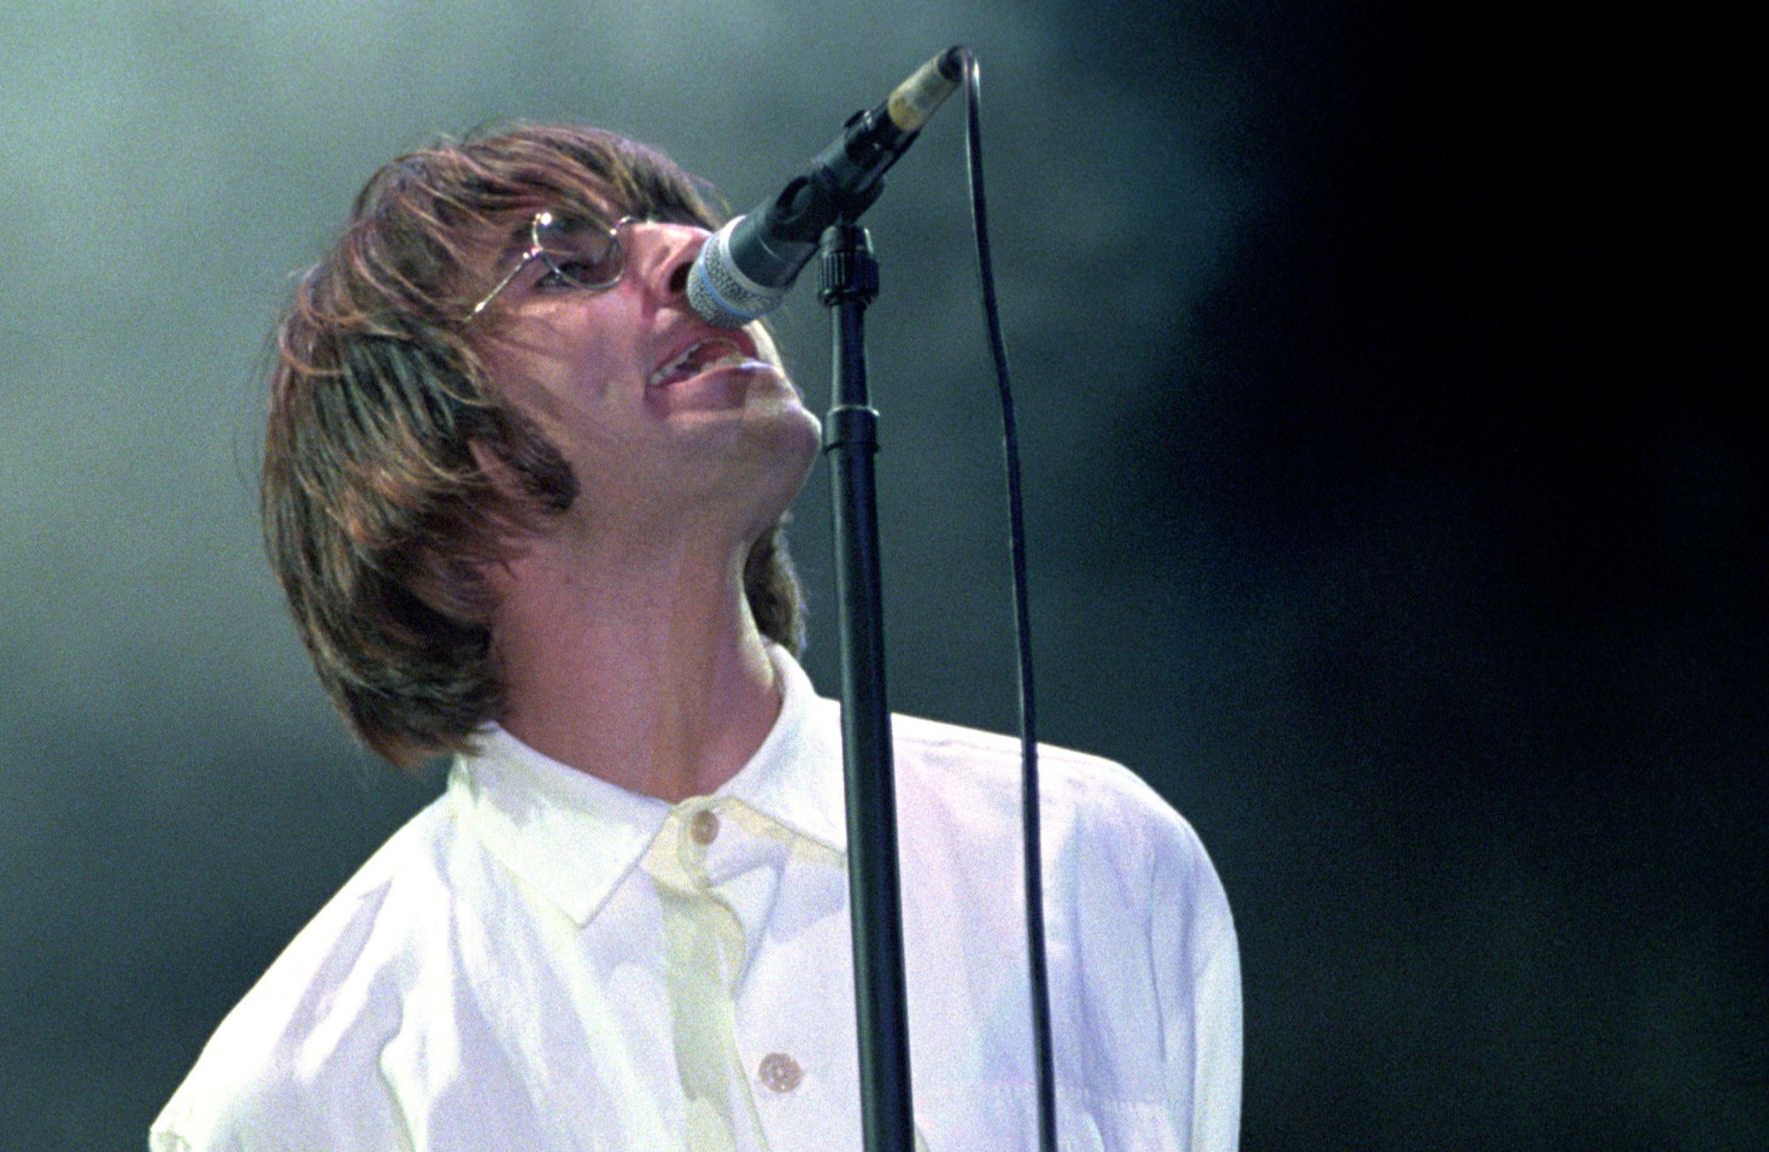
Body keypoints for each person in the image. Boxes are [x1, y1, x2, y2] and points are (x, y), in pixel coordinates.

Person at [151, 123, 1240, 1152]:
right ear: (426, 472)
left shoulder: (1091, 856)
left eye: (669, 223)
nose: (690, 250)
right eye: (564, 264)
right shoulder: (302, 1091)